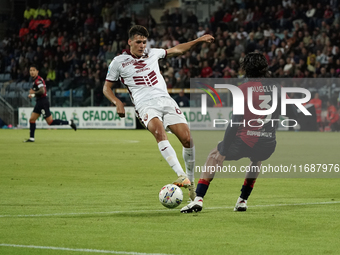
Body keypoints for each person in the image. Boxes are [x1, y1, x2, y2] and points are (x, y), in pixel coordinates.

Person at [103, 25, 214, 200]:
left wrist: (198, 41)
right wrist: (117, 102)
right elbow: (106, 87)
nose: (142, 46)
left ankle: (190, 182)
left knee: (188, 139)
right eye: (138, 42)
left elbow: (178, 49)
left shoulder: (153, 53)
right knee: (159, 132)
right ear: (129, 42)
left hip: (165, 100)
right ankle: (181, 174)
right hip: (144, 104)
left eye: (144, 42)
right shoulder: (118, 62)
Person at [181, 52, 298, 213]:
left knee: (212, 155)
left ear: (245, 69)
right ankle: (242, 201)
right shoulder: (277, 87)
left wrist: (222, 151)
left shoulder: (243, 89)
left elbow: (234, 123)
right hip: (268, 144)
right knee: (256, 160)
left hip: (245, 140)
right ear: (265, 68)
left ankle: (198, 199)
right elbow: (292, 113)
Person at [24, 64, 77, 142]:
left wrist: (33, 93)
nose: (31, 72)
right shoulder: (35, 80)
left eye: (33, 70)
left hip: (43, 102)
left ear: (37, 72)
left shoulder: (38, 80)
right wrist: (32, 94)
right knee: (32, 119)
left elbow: (42, 91)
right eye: (30, 70)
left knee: (50, 122)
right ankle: (32, 138)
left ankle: (69, 122)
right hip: (39, 102)